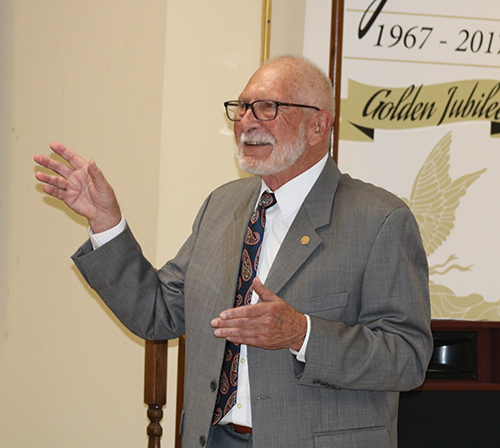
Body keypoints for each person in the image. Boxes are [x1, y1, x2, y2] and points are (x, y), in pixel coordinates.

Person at [34, 55, 432, 448]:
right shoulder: (222, 206)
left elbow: (408, 357)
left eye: (268, 107)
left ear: (318, 125)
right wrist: (106, 222)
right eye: (241, 107)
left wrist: (302, 334)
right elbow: (159, 313)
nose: (247, 121)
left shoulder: (380, 219)